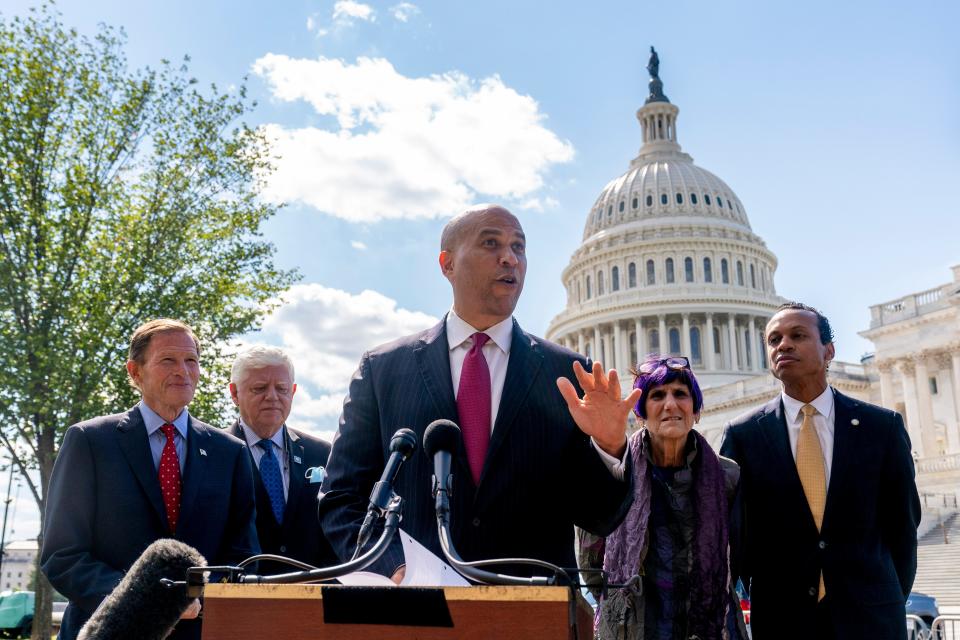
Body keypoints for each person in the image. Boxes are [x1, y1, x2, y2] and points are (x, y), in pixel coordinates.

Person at [318, 204, 639, 581]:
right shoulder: (383, 370)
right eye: (491, 243)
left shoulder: (566, 374)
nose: (510, 258)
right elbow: (342, 498)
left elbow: (598, 517)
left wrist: (609, 446)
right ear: (448, 264)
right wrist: (391, 567)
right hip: (415, 611)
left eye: (519, 247)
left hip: (533, 612)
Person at [41, 319, 259, 640]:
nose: (182, 371)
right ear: (135, 372)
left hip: (201, 630)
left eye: (191, 361)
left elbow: (244, 556)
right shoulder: (89, 441)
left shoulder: (231, 452)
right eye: (168, 360)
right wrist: (149, 602)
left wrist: (196, 597)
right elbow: (63, 555)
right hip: (109, 630)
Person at [720, 303, 921, 639]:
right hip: (784, 619)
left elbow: (903, 524)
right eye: (774, 340)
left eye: (797, 335)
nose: (783, 345)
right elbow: (737, 535)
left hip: (872, 619)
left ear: (829, 351)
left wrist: (885, 597)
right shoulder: (744, 435)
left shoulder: (881, 428)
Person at [578, 355, 746, 640]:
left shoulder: (727, 476)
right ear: (640, 413)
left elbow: (742, 554)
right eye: (657, 395)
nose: (670, 404)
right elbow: (592, 565)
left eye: (681, 394)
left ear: (696, 411)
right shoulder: (612, 474)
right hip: (636, 630)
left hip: (713, 627)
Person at [227, 345, 337, 574]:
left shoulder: (323, 454)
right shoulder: (216, 454)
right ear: (235, 393)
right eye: (259, 388)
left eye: (282, 388)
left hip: (312, 596)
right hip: (238, 599)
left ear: (293, 391)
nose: (272, 397)